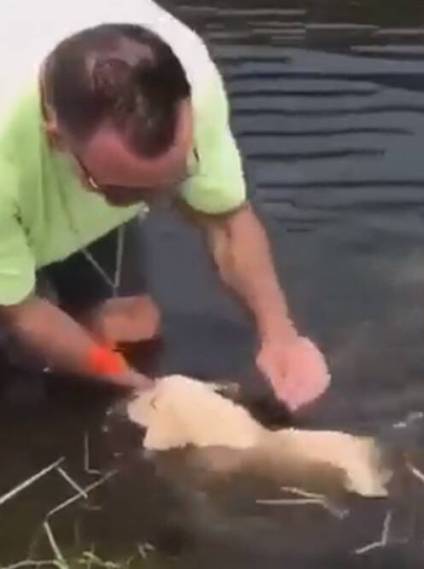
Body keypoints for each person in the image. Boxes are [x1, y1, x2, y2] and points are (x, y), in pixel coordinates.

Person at [0, 0, 331, 411]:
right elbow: (22, 311)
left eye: (169, 182)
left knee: (131, 324)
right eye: (125, 192)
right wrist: (135, 385)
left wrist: (279, 334)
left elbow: (225, 223)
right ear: (56, 138)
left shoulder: (189, 82)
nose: (155, 205)